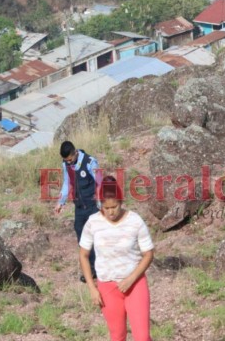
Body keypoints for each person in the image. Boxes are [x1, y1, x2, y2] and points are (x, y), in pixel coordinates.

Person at [79, 176, 154, 341]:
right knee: (117, 335)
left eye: (115, 206)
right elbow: (83, 255)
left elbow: (148, 253)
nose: (111, 212)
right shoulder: (93, 223)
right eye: (106, 208)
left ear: (121, 202)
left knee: (142, 337)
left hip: (135, 285)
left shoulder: (135, 221)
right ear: (100, 205)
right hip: (107, 287)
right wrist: (92, 287)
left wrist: (131, 278)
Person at [54, 141, 101, 282]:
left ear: (75, 153)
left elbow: (99, 182)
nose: (68, 162)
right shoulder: (66, 165)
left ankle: (102, 268)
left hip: (93, 207)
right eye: (65, 160)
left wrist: (100, 204)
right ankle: (91, 270)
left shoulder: (89, 162)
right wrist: (60, 202)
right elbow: (66, 183)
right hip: (79, 208)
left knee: (97, 239)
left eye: (70, 159)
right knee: (83, 240)